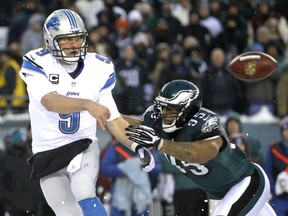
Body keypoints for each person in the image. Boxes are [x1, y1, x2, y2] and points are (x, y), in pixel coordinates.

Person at [18, 9, 154, 216]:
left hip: (82, 144)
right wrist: (87, 104)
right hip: (47, 151)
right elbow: (50, 102)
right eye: (66, 40)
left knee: (82, 188)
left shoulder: (98, 67)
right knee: (67, 212)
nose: (73, 45)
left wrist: (136, 145)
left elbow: (113, 119)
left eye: (77, 38)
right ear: (50, 40)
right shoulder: (38, 62)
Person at [125, 79, 277, 216]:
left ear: (187, 109)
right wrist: (106, 114)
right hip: (223, 192)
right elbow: (124, 126)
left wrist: (159, 143)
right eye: (162, 107)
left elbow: (198, 154)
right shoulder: (156, 120)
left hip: (247, 181)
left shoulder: (204, 124)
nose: (164, 113)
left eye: (170, 108)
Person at [100, 136, 162, 216]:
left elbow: (158, 168)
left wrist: (144, 167)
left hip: (141, 195)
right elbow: (105, 168)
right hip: (120, 194)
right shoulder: (116, 146)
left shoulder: (146, 148)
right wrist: (126, 169)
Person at [264, 116, 288, 215]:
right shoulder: (274, 149)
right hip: (279, 196)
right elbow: (268, 171)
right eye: (285, 129)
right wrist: (273, 189)